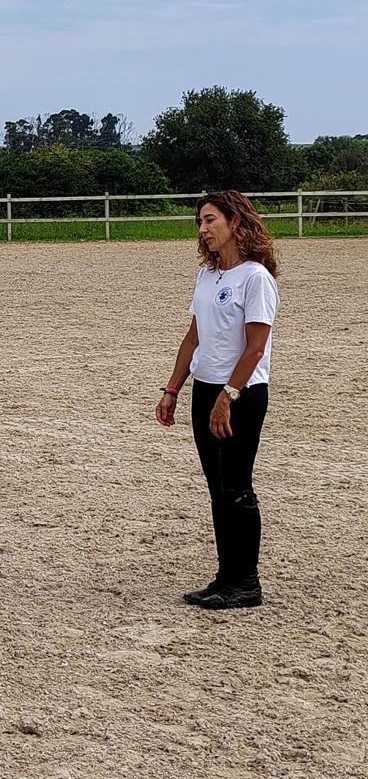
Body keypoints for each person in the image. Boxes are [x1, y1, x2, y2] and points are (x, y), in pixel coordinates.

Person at [156, 190, 280, 609]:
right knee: (217, 487)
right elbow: (194, 338)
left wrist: (228, 396)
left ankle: (246, 582)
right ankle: (226, 577)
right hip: (206, 390)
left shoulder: (255, 277)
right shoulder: (207, 276)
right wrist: (173, 389)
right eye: (200, 222)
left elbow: (255, 348)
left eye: (210, 220)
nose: (203, 229)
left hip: (240, 393)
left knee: (237, 486)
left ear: (236, 223)